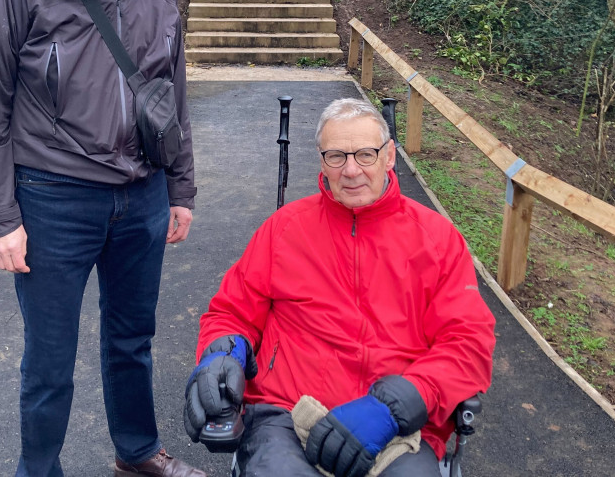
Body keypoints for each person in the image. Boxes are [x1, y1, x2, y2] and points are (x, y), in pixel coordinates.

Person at [0, 0, 203, 477]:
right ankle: (39, 470)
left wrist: (179, 190)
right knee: (49, 358)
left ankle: (136, 452)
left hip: (143, 195)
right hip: (53, 198)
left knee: (133, 340)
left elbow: (171, 91)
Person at [184, 98, 496, 477]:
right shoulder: (284, 229)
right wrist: (225, 350)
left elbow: (468, 344)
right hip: (286, 414)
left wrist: (401, 401)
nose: (351, 170)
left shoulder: (438, 240)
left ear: (389, 156)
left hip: (396, 426)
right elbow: (231, 313)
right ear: (321, 161)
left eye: (366, 154)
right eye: (336, 156)